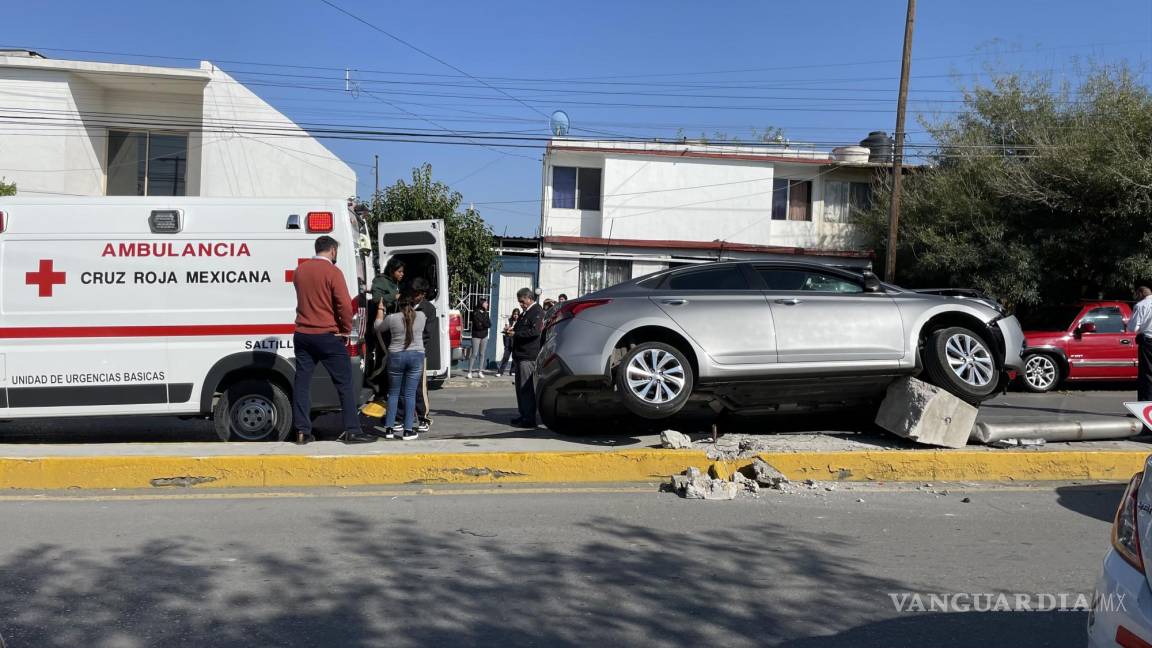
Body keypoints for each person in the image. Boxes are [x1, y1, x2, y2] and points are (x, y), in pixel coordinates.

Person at [291, 236, 375, 445]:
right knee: (344, 384)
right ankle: (352, 430)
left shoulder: (300, 270)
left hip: (302, 334)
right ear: (333, 251)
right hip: (327, 335)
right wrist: (346, 329)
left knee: (302, 383)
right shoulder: (333, 272)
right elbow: (344, 305)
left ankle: (302, 432)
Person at [376, 296, 426, 440]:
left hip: (396, 356)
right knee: (410, 394)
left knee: (393, 393)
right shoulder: (422, 316)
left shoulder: (391, 318)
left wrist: (380, 308)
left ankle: (389, 429)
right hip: (416, 356)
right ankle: (408, 430)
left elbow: (377, 327)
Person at [511, 288, 545, 428]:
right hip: (520, 354)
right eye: (519, 302)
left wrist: (516, 334)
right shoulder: (526, 313)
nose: (521, 304)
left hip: (528, 355)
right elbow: (520, 329)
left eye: (522, 301)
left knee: (526, 388)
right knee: (520, 388)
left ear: (529, 298)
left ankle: (529, 418)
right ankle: (523, 414)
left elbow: (535, 331)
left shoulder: (537, 311)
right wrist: (512, 331)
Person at [408, 277, 437, 433]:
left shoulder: (429, 309)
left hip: (418, 352)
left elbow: (427, 333)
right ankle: (407, 416)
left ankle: (423, 417)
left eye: (417, 293)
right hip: (404, 351)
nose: (414, 296)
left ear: (423, 294)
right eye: (412, 292)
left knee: (420, 387)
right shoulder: (407, 305)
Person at [1128, 282, 1152, 402]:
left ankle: (1145, 407)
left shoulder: (1141, 305)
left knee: (1146, 375)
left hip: (1148, 342)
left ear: (1141, 294)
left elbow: (1133, 328)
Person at [466, 299, 492, 379]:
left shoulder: (486, 313)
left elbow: (489, 324)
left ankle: (480, 371)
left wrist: (483, 323)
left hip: (484, 336)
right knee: (474, 354)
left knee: (482, 354)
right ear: (482, 304)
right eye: (486, 303)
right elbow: (478, 326)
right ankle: (469, 372)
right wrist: (484, 324)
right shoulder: (475, 313)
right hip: (476, 335)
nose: (487, 304)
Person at [497, 308, 520, 376]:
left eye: (517, 314)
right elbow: (506, 328)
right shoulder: (509, 320)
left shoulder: (520, 322)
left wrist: (511, 329)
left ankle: (512, 371)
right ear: (512, 314)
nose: (515, 316)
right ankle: (500, 372)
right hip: (508, 339)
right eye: (514, 314)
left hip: (515, 340)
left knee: (514, 356)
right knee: (506, 356)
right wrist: (508, 328)